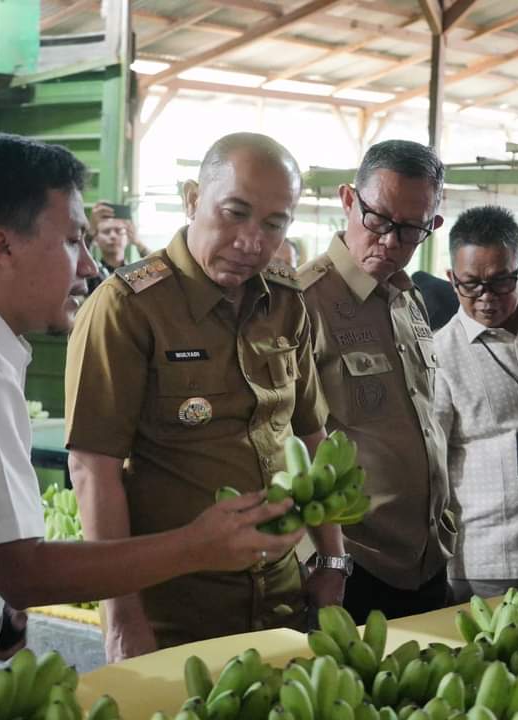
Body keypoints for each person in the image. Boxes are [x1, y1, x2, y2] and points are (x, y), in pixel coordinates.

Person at [0, 132, 304, 668]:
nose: (89, 265)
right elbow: (25, 572)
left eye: (274, 224)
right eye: (72, 241)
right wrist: (197, 546)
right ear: (2, 246)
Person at [64, 132, 344, 660]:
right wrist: (122, 618)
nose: (250, 241)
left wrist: (331, 560)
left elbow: (311, 438)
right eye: (234, 213)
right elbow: (92, 470)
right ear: (193, 199)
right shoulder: (127, 308)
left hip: (284, 601)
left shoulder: (287, 302)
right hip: (174, 614)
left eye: (273, 224)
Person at [298, 139, 453, 623]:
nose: (390, 242)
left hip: (428, 558)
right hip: (352, 564)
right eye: (378, 220)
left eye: (411, 230)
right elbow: (287, 445)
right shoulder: (302, 304)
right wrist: (325, 558)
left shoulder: (409, 300)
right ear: (348, 200)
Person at [432, 205, 518, 602]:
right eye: (471, 285)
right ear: (452, 279)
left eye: (501, 282)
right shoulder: (438, 355)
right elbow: (434, 464)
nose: (486, 298)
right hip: (485, 558)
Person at [86, 202, 151, 292]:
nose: (113, 236)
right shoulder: (92, 272)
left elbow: (161, 270)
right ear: (96, 239)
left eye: (118, 230)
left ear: (128, 237)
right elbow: (76, 261)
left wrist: (138, 243)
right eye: (106, 231)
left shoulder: (135, 273)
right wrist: (90, 233)